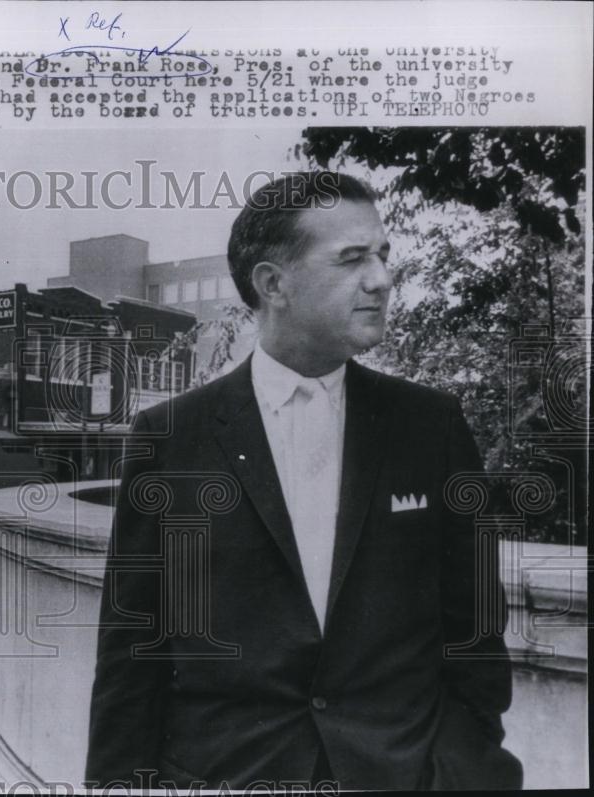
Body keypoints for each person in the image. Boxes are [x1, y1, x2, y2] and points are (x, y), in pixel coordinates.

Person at [86, 173, 522, 791]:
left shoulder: (432, 426)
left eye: (382, 255)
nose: (381, 278)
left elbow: (475, 627)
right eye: (352, 259)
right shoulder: (169, 437)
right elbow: (132, 654)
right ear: (273, 284)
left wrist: (465, 767)